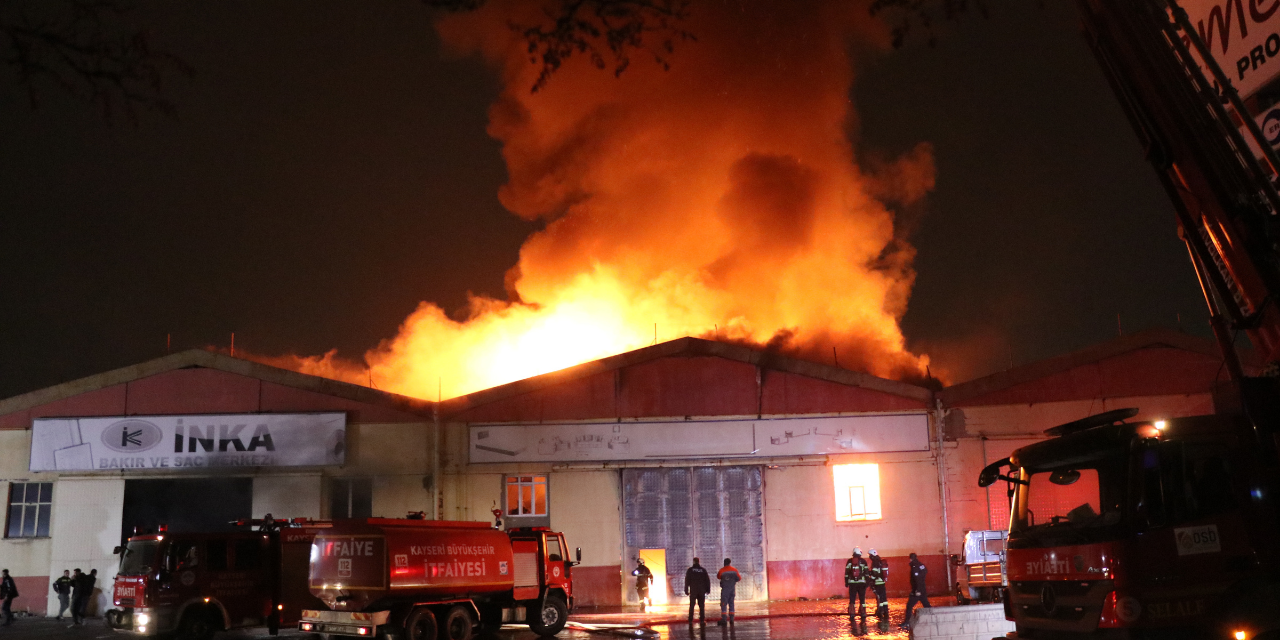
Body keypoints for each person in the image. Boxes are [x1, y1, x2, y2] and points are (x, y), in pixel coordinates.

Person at [901, 553, 932, 629]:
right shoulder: (921, 564)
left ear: (910, 558)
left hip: (917, 591)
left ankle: (907, 622)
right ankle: (933, 618)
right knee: (926, 605)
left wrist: (917, 590)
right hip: (922, 589)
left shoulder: (914, 566)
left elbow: (917, 579)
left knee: (909, 606)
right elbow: (925, 571)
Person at [684, 557, 711, 624]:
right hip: (702, 590)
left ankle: (690, 620)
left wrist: (686, 589)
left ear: (693, 562)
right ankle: (702, 619)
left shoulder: (690, 570)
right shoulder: (703, 570)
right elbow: (707, 580)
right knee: (701, 605)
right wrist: (708, 589)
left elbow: (687, 580)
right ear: (699, 561)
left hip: (693, 590)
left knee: (692, 605)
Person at [845, 547, 869, 618]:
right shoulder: (863, 561)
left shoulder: (849, 561)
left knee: (852, 598)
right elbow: (866, 573)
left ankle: (852, 613)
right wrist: (867, 582)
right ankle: (863, 612)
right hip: (862, 583)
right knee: (862, 598)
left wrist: (846, 582)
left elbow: (847, 572)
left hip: (852, 583)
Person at [716, 558, 740, 626]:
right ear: (730, 562)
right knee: (731, 603)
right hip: (732, 589)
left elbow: (718, 577)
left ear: (724, 563)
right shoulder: (734, 570)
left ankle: (724, 618)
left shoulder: (722, 570)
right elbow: (739, 578)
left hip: (725, 590)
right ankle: (732, 618)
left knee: (724, 603)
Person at [867, 549, 889, 622]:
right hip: (882, 583)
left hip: (877, 583)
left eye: (870, 555)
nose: (870, 557)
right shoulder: (880, 561)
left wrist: (871, 581)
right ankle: (886, 612)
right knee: (884, 598)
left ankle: (880, 611)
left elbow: (875, 574)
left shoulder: (875, 562)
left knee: (879, 598)